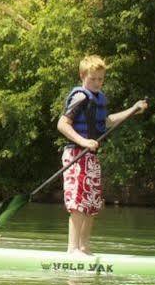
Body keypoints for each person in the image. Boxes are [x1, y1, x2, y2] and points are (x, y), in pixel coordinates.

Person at [55, 55, 148, 254]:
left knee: (91, 203)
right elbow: (62, 124)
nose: (97, 83)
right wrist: (84, 142)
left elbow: (107, 121)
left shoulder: (98, 99)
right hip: (75, 155)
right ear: (82, 76)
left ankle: (84, 247)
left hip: (90, 157)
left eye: (100, 79)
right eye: (93, 79)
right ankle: (72, 250)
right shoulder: (80, 96)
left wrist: (133, 110)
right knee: (78, 203)